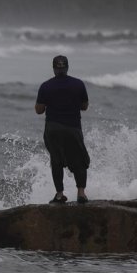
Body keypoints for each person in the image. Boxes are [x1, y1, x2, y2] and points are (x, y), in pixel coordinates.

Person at [35, 55, 91, 204]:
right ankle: (81, 193)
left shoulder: (45, 86)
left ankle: (59, 195)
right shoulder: (78, 84)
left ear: (54, 68)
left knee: (56, 160)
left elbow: (39, 110)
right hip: (73, 128)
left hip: (53, 129)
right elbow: (84, 106)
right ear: (67, 68)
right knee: (79, 160)